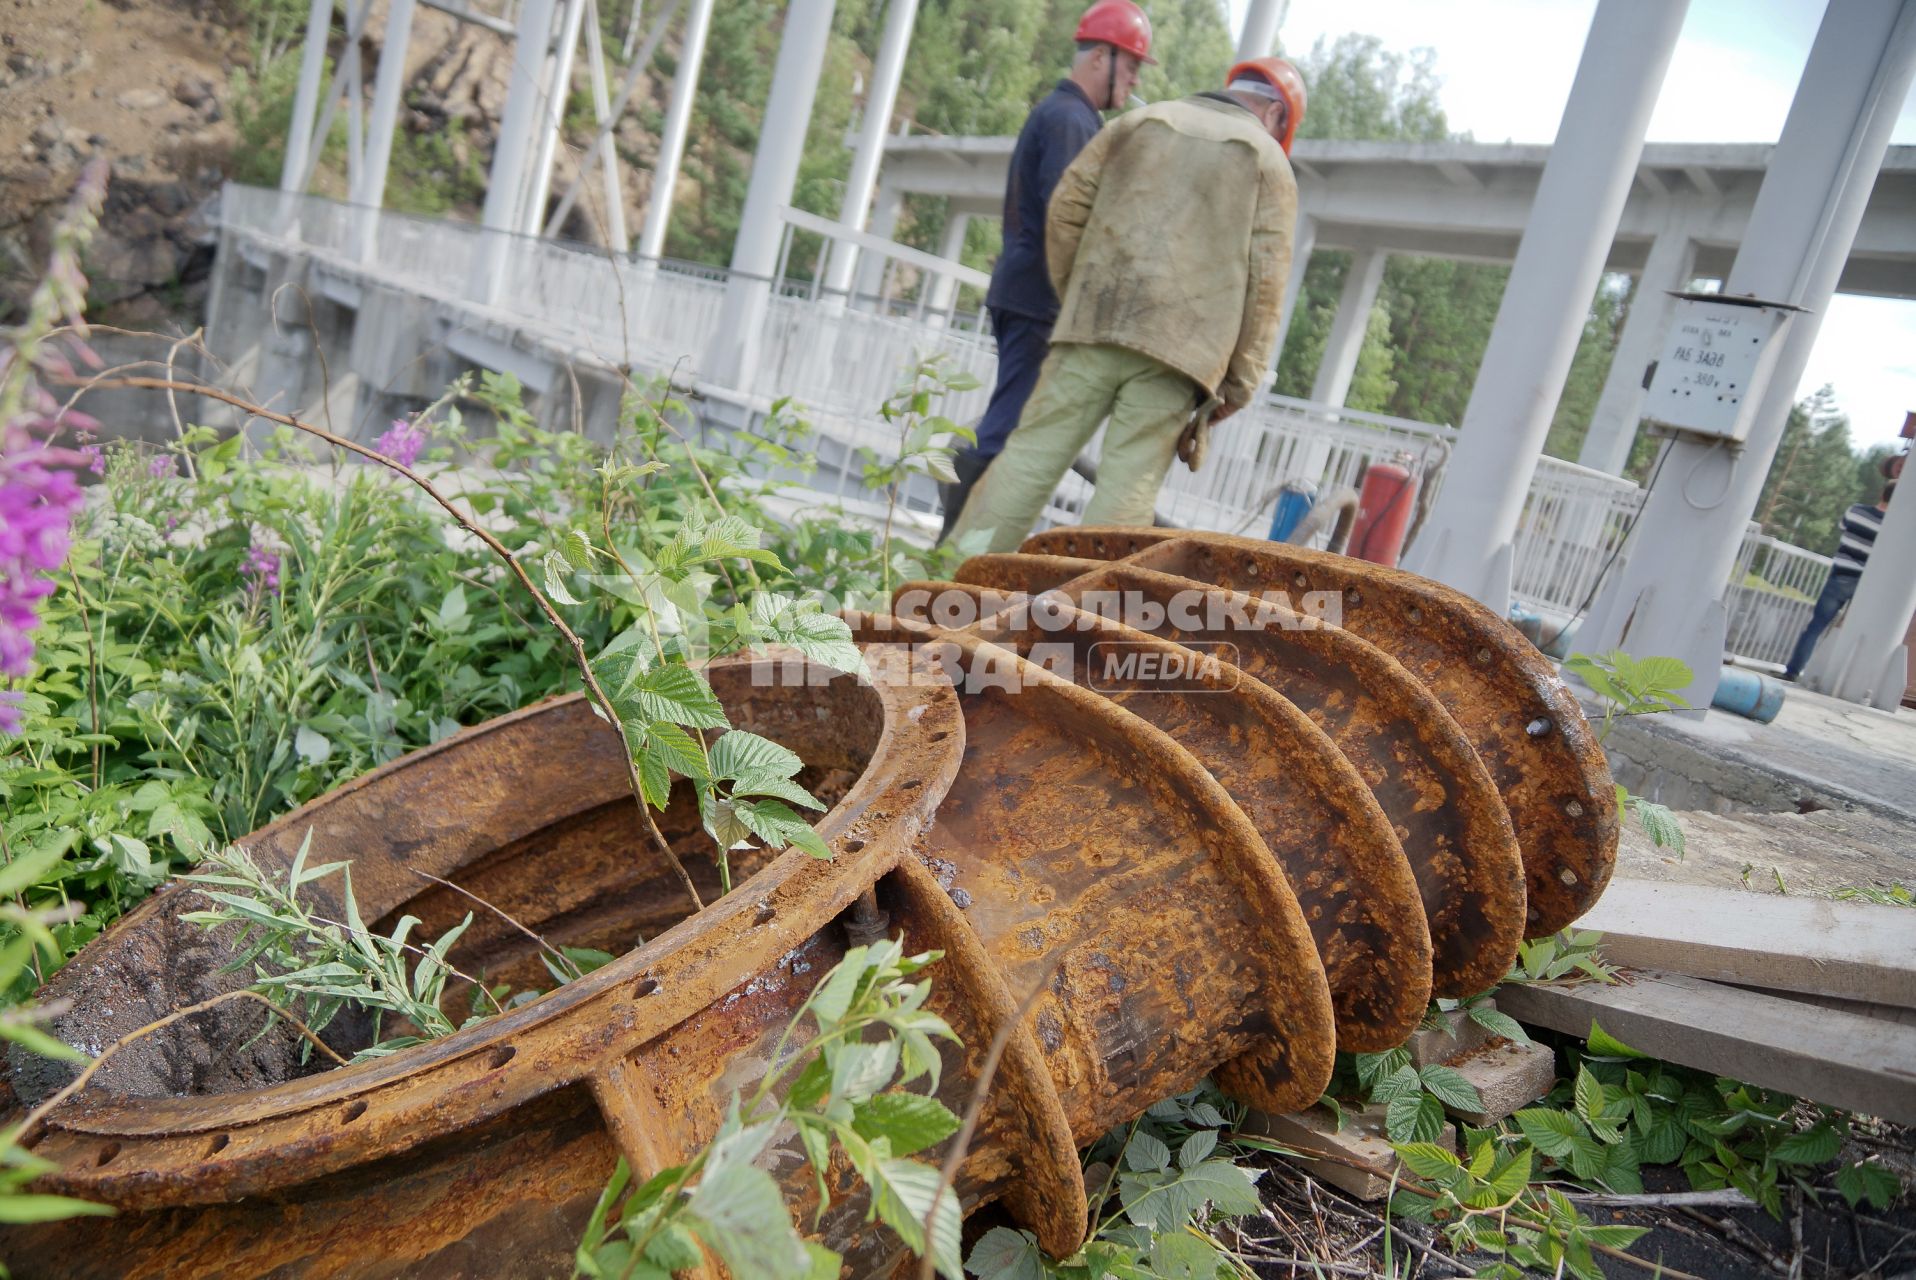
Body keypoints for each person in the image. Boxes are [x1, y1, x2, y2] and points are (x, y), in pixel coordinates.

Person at [947, 57, 1307, 556]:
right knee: (1124, 495)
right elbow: (1266, 292)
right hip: (1179, 355)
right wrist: (1237, 388)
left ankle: (942, 596)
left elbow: (1066, 210)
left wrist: (1080, 294)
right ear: (1275, 116)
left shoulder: (1138, 123)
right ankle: (1076, 625)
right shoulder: (1268, 162)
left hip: (1091, 325)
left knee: (1026, 461)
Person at [936, 0, 1155, 541]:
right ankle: (948, 551)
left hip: (1027, 293)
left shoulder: (1066, 117)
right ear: (1100, 57)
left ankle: (954, 540)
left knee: (1010, 424)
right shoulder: (1071, 120)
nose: (1131, 82)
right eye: (1129, 67)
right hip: (1037, 299)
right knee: (1007, 430)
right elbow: (1070, 218)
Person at [1783, 480, 1895, 680]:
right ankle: (1836, 679)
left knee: (1816, 627)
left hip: (1840, 577)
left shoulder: (1856, 511)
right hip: (1865, 585)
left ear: (1882, 493)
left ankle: (1793, 671)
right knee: (1855, 634)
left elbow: (1843, 527)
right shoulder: (1891, 527)